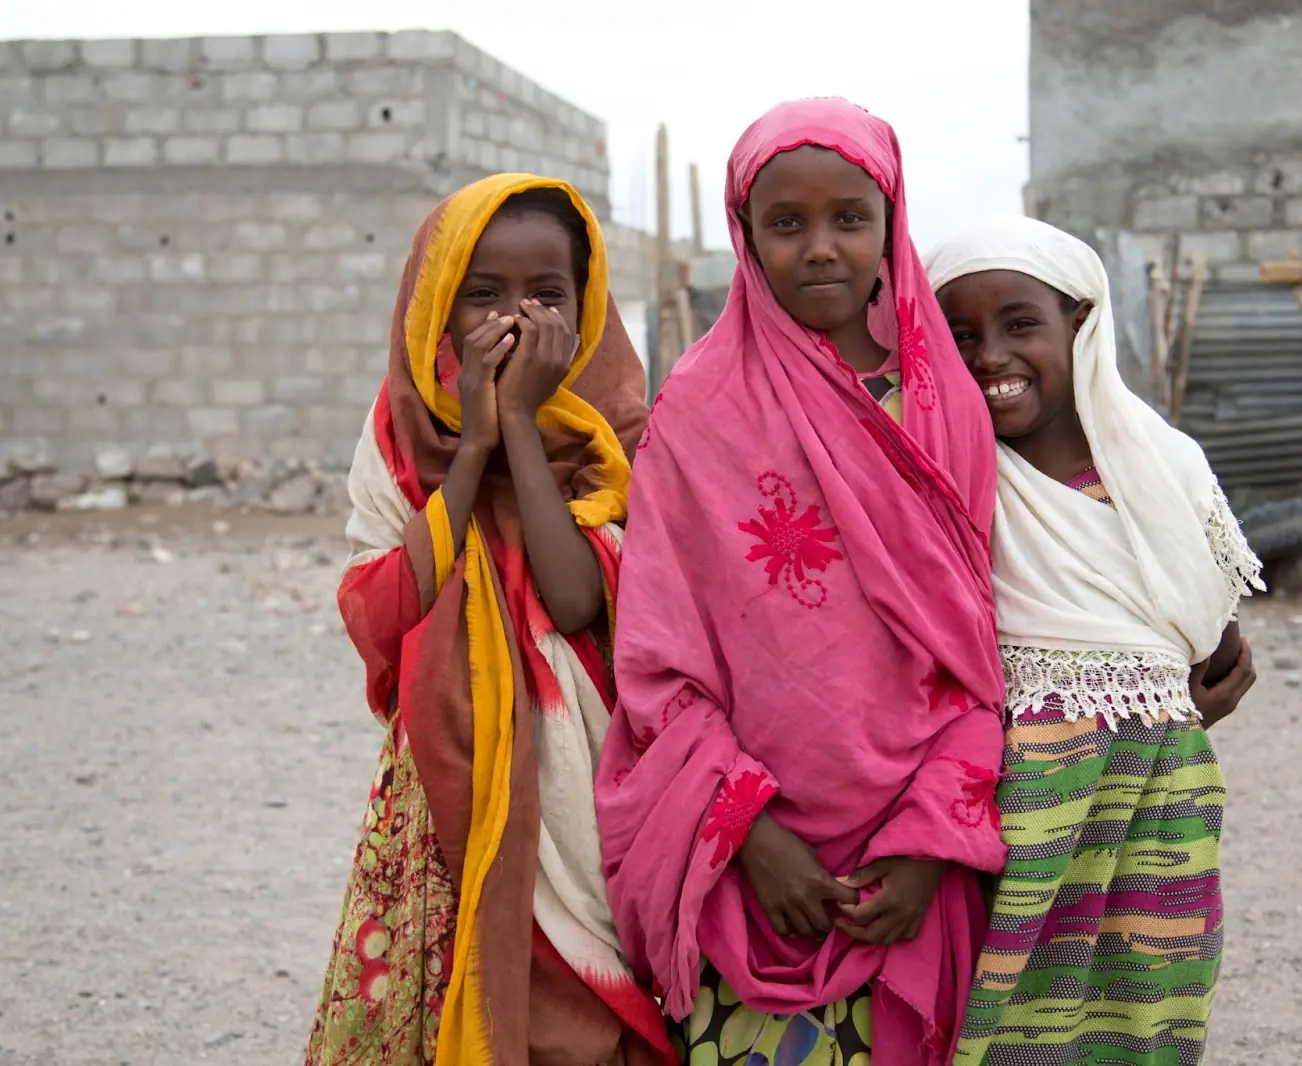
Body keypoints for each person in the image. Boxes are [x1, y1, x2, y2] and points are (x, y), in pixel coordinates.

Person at [594, 99, 1007, 1066]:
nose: (821, 249)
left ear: (890, 225)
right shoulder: (697, 413)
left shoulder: (945, 410)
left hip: (916, 844)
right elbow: (658, 662)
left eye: (849, 219)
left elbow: (984, 652)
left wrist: (927, 838)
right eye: (787, 224)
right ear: (744, 237)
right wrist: (749, 829)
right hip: (757, 860)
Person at [304, 174, 672, 1066]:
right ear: (438, 303)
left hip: (585, 762)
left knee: (591, 983)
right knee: (468, 979)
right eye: (484, 295)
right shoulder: (400, 432)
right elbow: (385, 608)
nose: (517, 318)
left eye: (547, 295)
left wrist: (516, 423)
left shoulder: (610, 425)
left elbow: (582, 597)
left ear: (583, 305)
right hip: (451, 768)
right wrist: (471, 446)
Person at [922, 216, 1265, 1066]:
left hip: (1159, 791)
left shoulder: (1164, 465)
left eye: (1020, 324)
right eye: (959, 335)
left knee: (1148, 1002)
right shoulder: (947, 476)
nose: (990, 355)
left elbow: (1213, 643)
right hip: (1012, 804)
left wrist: (1156, 705)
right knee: (1010, 1018)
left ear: (1081, 324)